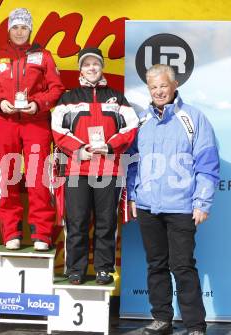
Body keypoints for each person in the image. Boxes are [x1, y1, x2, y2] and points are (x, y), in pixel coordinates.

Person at [126, 64, 219, 335]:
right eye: (153, 87)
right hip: (147, 206)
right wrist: (133, 195)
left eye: (163, 86)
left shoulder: (193, 118)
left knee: (182, 266)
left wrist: (202, 202)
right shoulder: (142, 120)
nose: (158, 91)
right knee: (156, 265)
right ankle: (162, 319)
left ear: (174, 85)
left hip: (181, 206)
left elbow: (207, 164)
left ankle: (195, 326)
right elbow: (133, 163)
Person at [51, 47, 138, 285]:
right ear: (81, 68)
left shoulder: (117, 97)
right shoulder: (69, 98)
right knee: (77, 221)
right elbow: (58, 130)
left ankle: (103, 268)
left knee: (106, 221)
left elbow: (131, 127)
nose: (91, 68)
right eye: (87, 64)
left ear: (102, 67)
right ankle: (75, 269)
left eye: (96, 64)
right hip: (77, 169)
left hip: (108, 169)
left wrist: (110, 147)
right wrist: (80, 149)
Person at [0, 8, 65, 251]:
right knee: (6, 178)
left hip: (36, 123)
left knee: (37, 177)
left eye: (24, 27)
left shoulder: (44, 56)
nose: (19, 31)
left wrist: (38, 104)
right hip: (5, 123)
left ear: (30, 30)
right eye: (15, 27)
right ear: (9, 30)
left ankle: (41, 233)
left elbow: (57, 88)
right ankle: (11, 233)